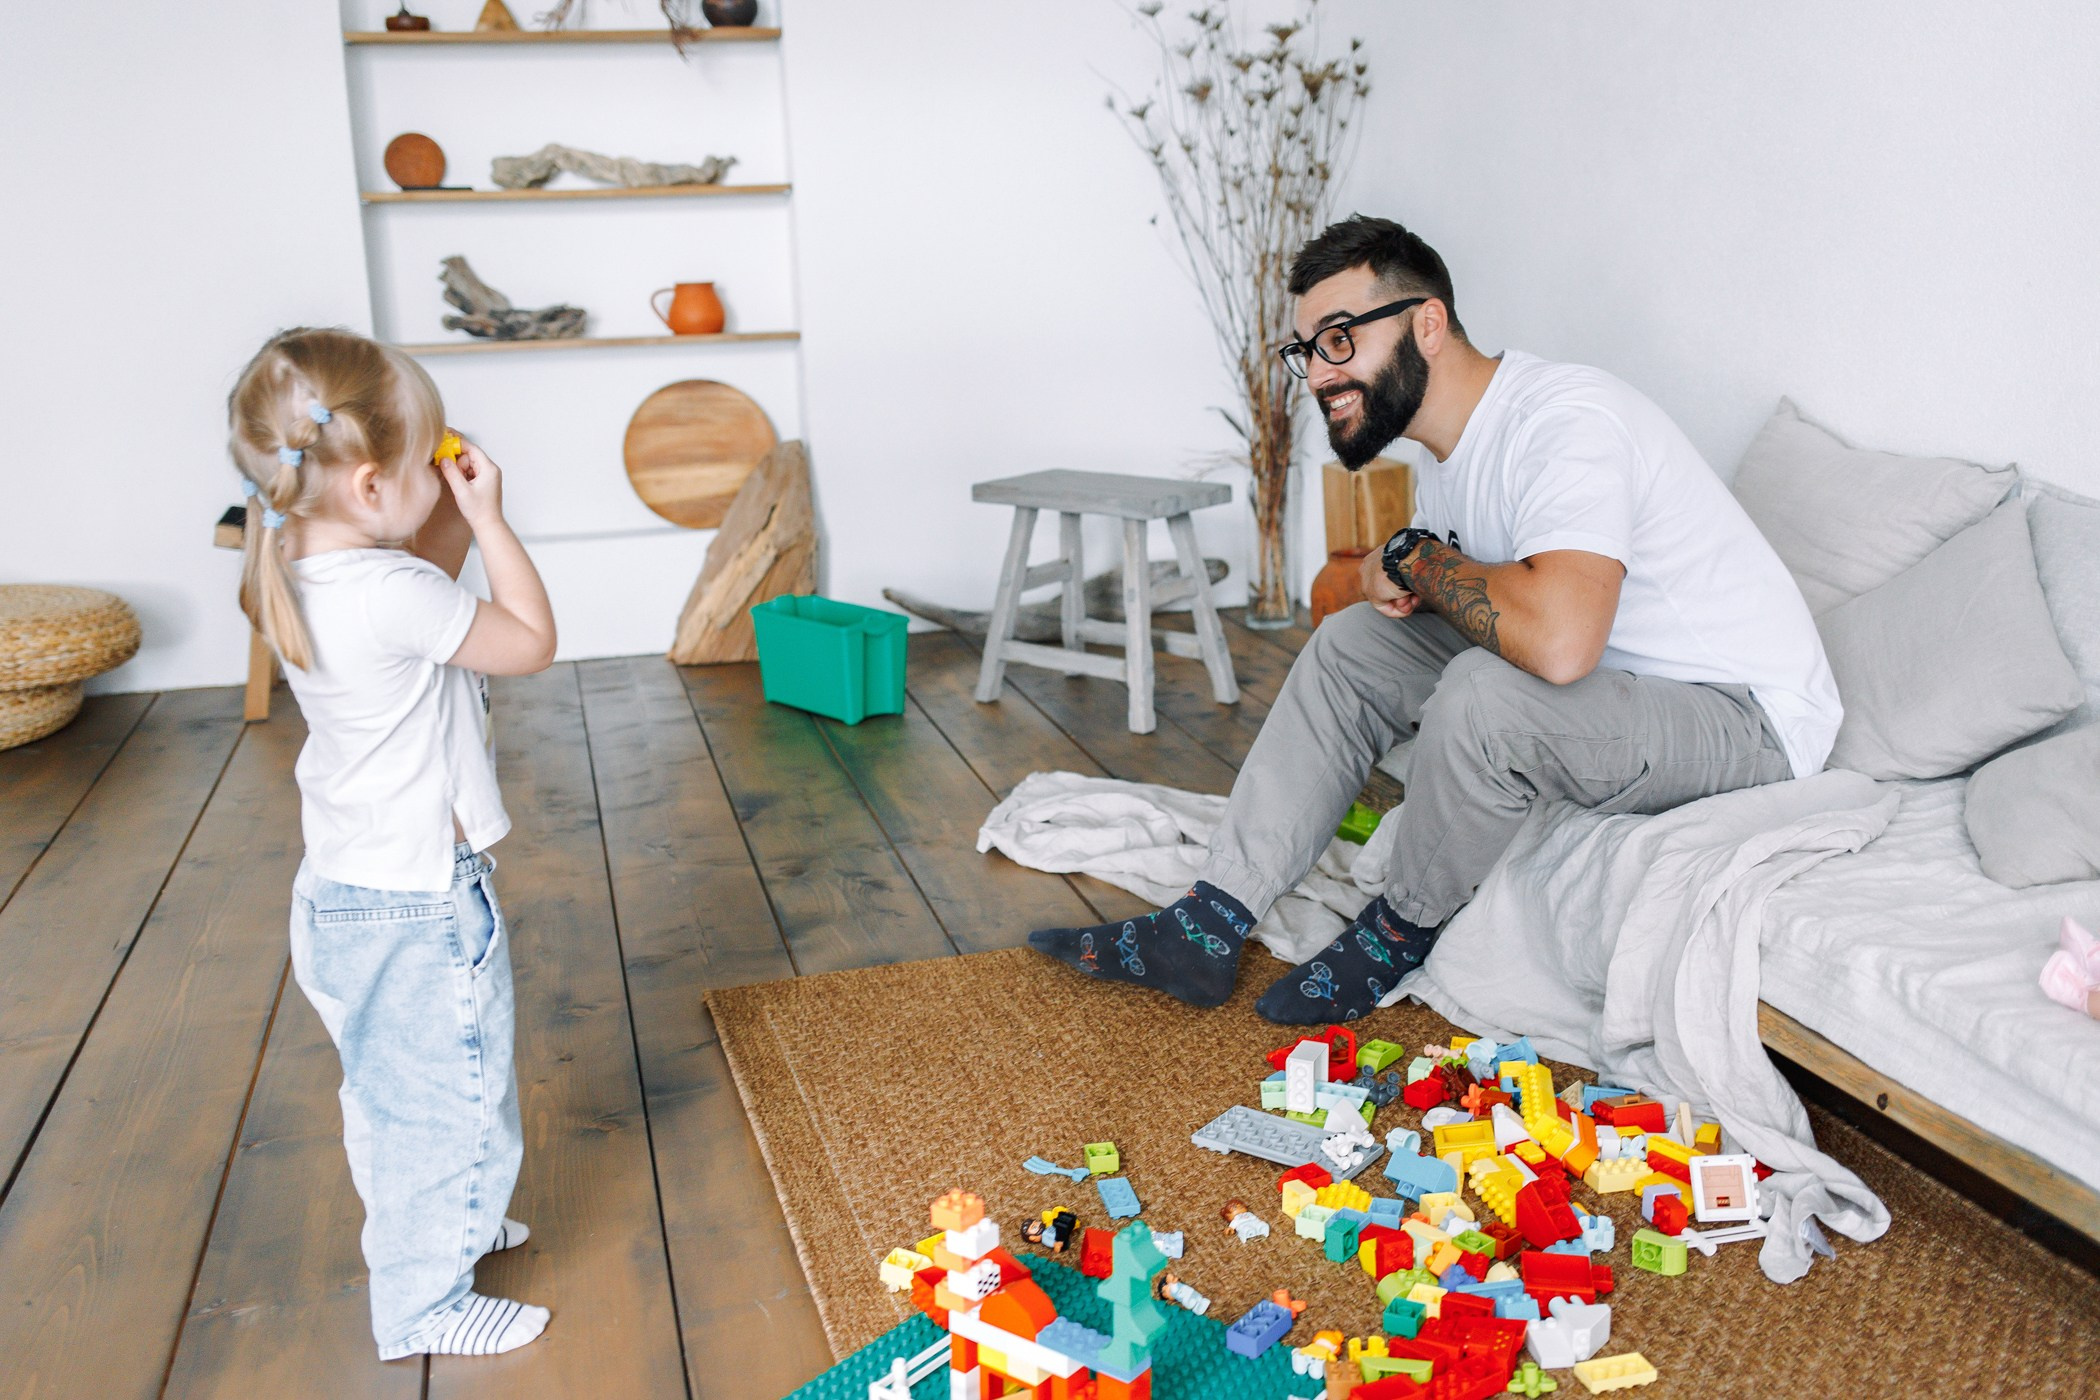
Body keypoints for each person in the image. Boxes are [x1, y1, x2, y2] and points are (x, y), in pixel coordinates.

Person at [1028, 215, 1841, 1024]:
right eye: (1306, 350)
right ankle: (1209, 923)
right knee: (1353, 644)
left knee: (1483, 693)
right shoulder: (1447, 457)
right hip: (1627, 689)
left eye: (1340, 339)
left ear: (1428, 323)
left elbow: (1557, 646)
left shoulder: (1566, 421)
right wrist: (1397, 566)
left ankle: (1395, 933)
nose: (1316, 374)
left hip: (1746, 716)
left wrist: (1413, 556)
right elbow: (1434, 598)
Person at [226, 327, 559, 1358]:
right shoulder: (396, 593)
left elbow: (424, 580)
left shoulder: (297, 559)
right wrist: (492, 517)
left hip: (342, 890)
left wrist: (442, 511)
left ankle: (450, 1217)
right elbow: (528, 642)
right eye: (419, 466)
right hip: (421, 902)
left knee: (393, 1090)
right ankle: (423, 1301)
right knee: (451, 1098)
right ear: (370, 486)